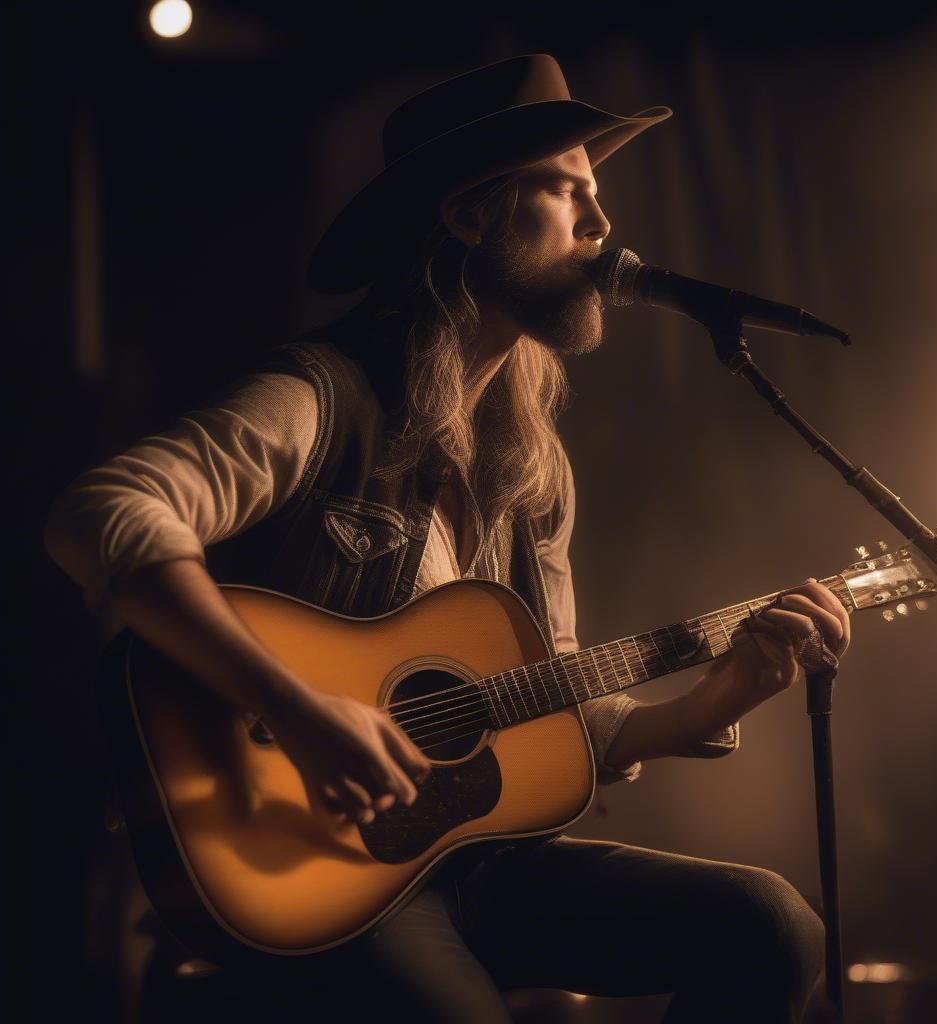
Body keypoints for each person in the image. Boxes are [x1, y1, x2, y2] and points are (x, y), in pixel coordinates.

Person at [46, 54, 850, 1023]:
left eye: (597, 197)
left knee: (773, 925)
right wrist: (294, 707)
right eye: (564, 191)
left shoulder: (532, 471)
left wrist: (713, 697)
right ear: (467, 216)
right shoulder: (324, 396)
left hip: (475, 864)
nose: (601, 226)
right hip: (318, 867)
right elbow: (104, 511)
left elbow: (545, 702)